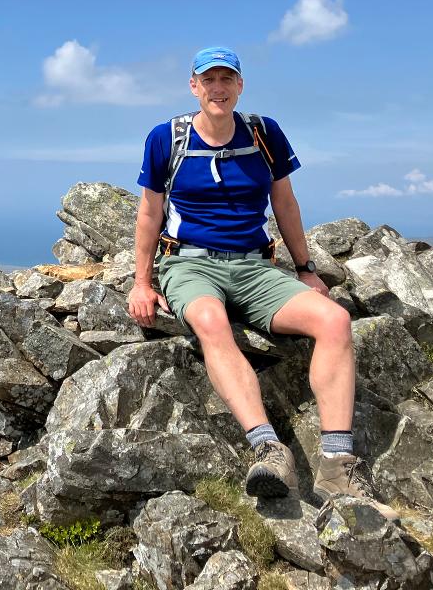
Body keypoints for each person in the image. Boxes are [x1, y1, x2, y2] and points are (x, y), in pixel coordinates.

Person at [127, 46, 397, 518]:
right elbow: (150, 212)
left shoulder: (263, 133)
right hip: (188, 263)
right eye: (208, 80)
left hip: (254, 267)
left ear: (240, 85)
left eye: (226, 79)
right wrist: (141, 282)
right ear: (194, 86)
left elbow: (285, 203)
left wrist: (306, 267)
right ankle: (269, 450)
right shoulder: (165, 138)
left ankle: (336, 462)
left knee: (334, 321)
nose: (218, 88)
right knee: (211, 321)